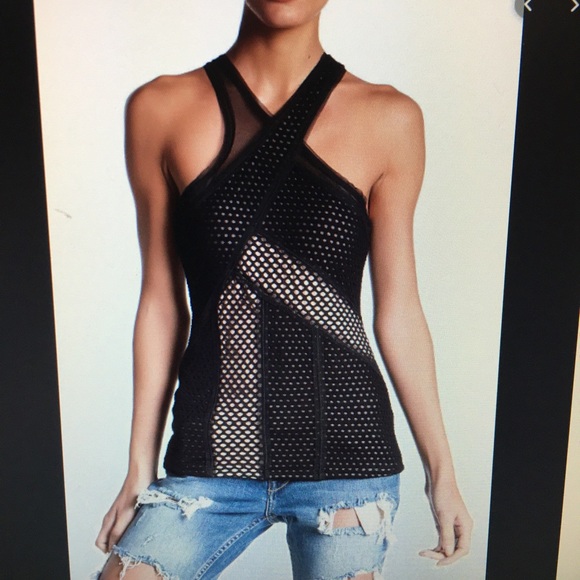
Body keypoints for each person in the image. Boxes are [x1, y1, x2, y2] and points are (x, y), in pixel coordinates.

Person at [94, 1, 472, 578]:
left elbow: (398, 311)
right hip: (212, 446)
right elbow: (162, 304)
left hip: (347, 455)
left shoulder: (389, 117)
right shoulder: (161, 107)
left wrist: (441, 474)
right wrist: (139, 468)